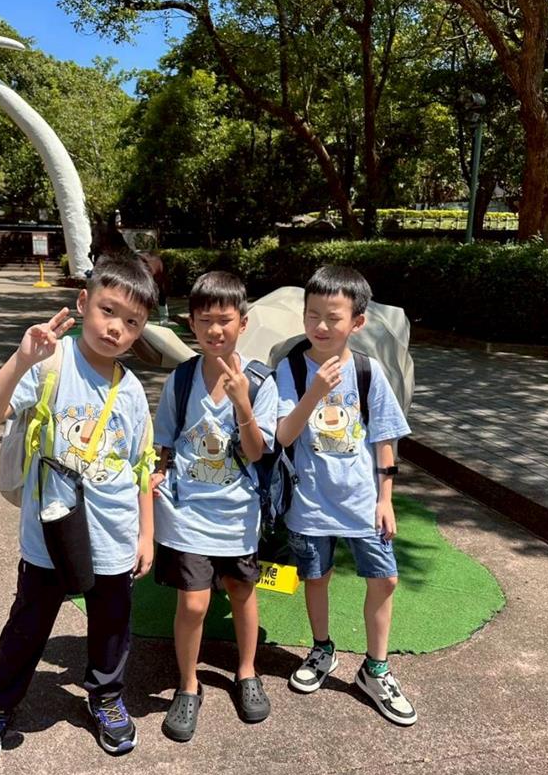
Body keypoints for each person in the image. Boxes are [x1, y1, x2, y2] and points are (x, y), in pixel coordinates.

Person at [0, 255, 159, 769]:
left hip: (114, 533)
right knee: (28, 624)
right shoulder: (51, 364)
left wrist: (146, 534)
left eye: (132, 321)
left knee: (112, 624)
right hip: (51, 530)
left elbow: (141, 467)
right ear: (83, 302)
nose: (116, 328)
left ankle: (106, 697)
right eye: (108, 311)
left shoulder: (132, 390)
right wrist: (20, 359)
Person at [275, 265, 417, 725]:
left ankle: (376, 669)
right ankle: (322, 649)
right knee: (316, 578)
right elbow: (283, 434)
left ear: (357, 322)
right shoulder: (290, 369)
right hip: (310, 503)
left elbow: (384, 437)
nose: (320, 326)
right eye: (312, 315)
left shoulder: (368, 371)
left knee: (385, 579)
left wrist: (386, 497)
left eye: (332, 317)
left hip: (362, 502)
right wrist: (315, 390)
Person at [151, 271, 278, 742]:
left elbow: (256, 452)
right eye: (204, 321)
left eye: (224, 320)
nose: (215, 330)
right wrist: (159, 470)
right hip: (187, 510)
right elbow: (165, 440)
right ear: (191, 324)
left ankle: (247, 671)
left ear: (243, 323)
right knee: (193, 601)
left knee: (242, 590)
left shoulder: (260, 381)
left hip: (238, 512)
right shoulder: (182, 379)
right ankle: (188, 684)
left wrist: (243, 402)